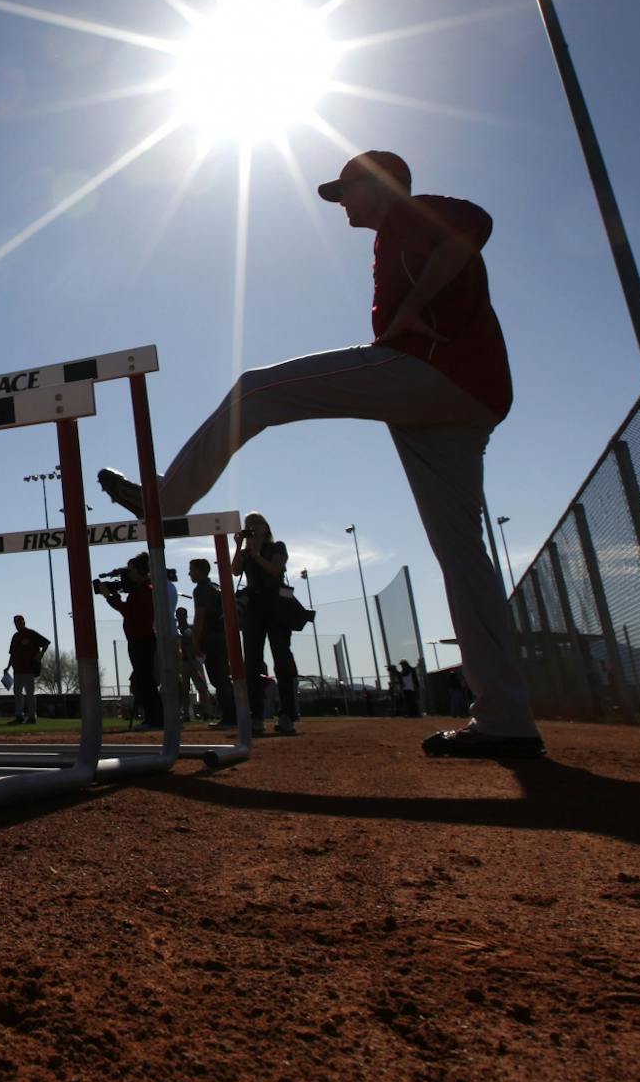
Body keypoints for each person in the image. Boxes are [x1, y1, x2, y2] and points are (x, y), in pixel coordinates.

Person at [126, 151, 541, 759]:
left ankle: (167, 500)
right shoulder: (395, 234)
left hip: (430, 372)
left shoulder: (411, 211)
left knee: (255, 391)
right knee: (462, 556)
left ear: (378, 185)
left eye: (345, 191)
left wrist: (412, 303)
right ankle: (506, 717)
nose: (341, 204)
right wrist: (413, 304)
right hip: (461, 397)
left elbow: (476, 223)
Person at [237, 512, 301, 736]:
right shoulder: (246, 553)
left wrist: (256, 554)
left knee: (282, 658)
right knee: (252, 662)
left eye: (256, 523)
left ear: (266, 527)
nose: (252, 528)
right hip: (254, 608)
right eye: (248, 525)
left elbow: (275, 570)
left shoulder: (277, 548)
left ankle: (287, 715)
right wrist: (239, 547)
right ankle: (256, 716)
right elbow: (235, 570)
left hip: (276, 606)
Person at [100, 554, 164, 732]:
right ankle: (153, 718)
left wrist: (110, 597)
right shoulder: (139, 590)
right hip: (137, 638)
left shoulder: (146, 591)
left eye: (132, 571)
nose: (129, 575)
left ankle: (156, 718)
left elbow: (129, 612)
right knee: (143, 680)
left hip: (143, 639)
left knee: (146, 680)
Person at [189, 557, 238, 728]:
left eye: (192, 570)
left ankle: (231, 716)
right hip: (221, 637)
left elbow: (199, 616)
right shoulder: (215, 587)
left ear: (200, 571)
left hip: (210, 638)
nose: (190, 573)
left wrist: (195, 641)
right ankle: (232, 714)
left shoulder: (201, 590)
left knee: (219, 678)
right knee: (223, 677)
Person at [174, 604, 217, 723]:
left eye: (183, 615)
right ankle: (186, 713)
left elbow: (192, 638)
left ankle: (207, 712)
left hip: (194, 661)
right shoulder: (175, 630)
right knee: (184, 690)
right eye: (179, 615)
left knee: (202, 688)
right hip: (183, 663)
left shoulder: (191, 629)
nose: (181, 617)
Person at [5, 615, 49, 725]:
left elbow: (46, 643)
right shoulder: (15, 636)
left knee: (29, 693)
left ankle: (32, 716)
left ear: (23, 622)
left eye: (19, 622)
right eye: (16, 623)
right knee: (17, 693)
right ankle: (19, 715)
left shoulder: (31, 634)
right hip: (17, 669)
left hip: (28, 669)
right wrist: (8, 667)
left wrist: (41, 654)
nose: (17, 625)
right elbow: (12, 654)